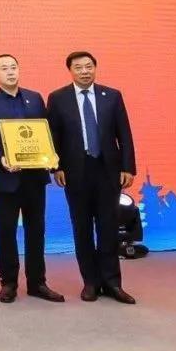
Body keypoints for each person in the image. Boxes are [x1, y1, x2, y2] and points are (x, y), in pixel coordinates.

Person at [48, 51, 136, 304]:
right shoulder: (58, 98)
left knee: (108, 227)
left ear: (95, 68)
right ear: (70, 71)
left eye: (89, 66)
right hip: (75, 171)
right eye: (79, 67)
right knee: (82, 228)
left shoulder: (112, 96)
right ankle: (91, 282)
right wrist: (57, 167)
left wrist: (128, 167)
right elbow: (53, 136)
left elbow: (124, 134)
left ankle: (112, 283)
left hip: (108, 170)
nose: (85, 71)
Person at [0, 54, 64, 303]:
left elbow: (45, 131)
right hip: (5, 178)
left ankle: (37, 282)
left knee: (36, 231)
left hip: (35, 177)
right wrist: (0, 157)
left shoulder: (35, 98)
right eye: (4, 68)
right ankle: (9, 282)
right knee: (6, 231)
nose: (10, 72)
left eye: (13, 67)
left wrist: (51, 154)